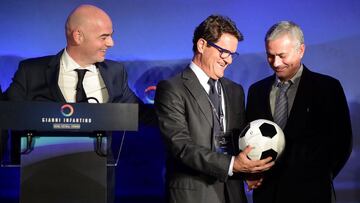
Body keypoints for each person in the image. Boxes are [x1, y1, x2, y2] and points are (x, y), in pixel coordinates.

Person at [4, 4, 143, 203]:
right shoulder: (30, 72)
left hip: (98, 185)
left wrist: (173, 103)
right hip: (42, 182)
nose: (111, 43)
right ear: (78, 36)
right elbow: (7, 113)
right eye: (104, 37)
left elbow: (138, 112)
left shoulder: (115, 73)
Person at [154, 15, 274, 203]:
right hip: (193, 194)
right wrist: (233, 165)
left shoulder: (235, 90)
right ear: (202, 45)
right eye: (223, 52)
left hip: (233, 194)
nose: (229, 60)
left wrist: (247, 172)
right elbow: (180, 146)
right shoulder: (172, 88)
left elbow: (238, 141)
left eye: (232, 54)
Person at [246, 21, 353, 203]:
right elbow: (248, 138)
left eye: (282, 55)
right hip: (267, 195)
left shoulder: (328, 88)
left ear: (301, 50)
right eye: (270, 56)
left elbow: (342, 143)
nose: (276, 63)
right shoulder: (256, 90)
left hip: (313, 194)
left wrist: (318, 178)